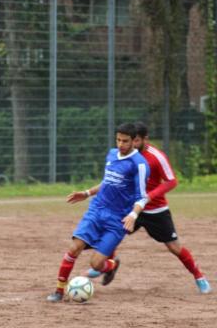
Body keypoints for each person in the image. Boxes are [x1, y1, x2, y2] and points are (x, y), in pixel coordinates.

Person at [86, 122, 211, 294]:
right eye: (132, 141)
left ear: (146, 139)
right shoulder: (127, 155)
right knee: (112, 233)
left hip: (155, 210)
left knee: (174, 247)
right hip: (131, 209)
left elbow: (172, 181)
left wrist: (150, 196)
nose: (134, 145)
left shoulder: (156, 156)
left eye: (137, 141)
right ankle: (109, 266)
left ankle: (199, 276)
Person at [47, 123, 150, 302]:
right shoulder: (111, 154)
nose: (120, 144)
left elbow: (142, 197)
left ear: (134, 141)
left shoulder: (139, 164)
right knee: (74, 248)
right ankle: (59, 290)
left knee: (95, 264)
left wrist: (133, 215)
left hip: (117, 220)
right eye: (118, 140)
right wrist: (86, 193)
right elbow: (108, 182)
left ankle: (111, 264)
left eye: (125, 141)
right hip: (97, 210)